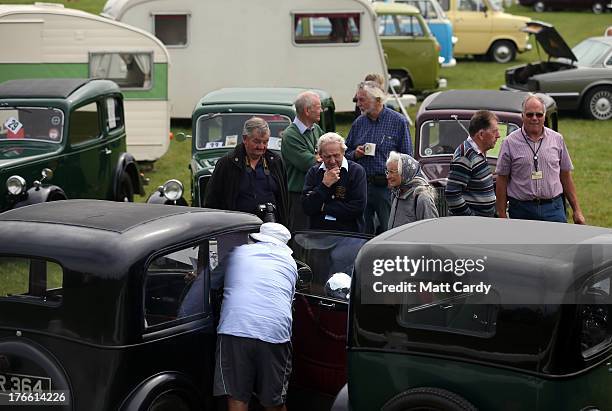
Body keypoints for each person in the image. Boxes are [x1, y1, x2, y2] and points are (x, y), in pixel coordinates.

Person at [214, 223, 298, 411]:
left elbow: (211, 282)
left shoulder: (237, 253)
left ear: (257, 237)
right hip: (275, 334)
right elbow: (289, 301)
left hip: (235, 328)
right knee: (274, 401)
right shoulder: (290, 263)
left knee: (237, 398)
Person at [495, 94, 585, 224]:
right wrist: (502, 215)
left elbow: (565, 175)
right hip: (522, 210)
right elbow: (502, 179)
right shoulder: (509, 142)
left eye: (539, 114)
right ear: (522, 116)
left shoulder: (557, 139)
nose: (534, 118)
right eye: (530, 115)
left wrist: (577, 210)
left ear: (544, 116)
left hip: (554, 209)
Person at [345, 81, 413, 234]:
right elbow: (345, 153)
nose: (358, 104)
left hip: (387, 188)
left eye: (362, 100)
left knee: (391, 231)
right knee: (363, 231)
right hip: (362, 187)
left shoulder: (398, 122)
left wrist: (399, 185)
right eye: (357, 100)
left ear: (377, 100)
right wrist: (355, 154)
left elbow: (407, 157)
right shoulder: (358, 123)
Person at [204, 117, 289, 225]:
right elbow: (212, 201)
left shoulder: (275, 162)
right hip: (237, 228)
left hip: (271, 229)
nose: (261, 147)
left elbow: (284, 199)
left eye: (265, 142)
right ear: (245, 139)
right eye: (257, 142)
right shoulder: (227, 163)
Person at [302, 132, 367, 233]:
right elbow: (307, 207)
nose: (332, 161)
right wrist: (324, 185)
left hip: (348, 235)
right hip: (318, 234)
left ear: (344, 152)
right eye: (327, 157)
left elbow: (357, 208)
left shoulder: (356, 171)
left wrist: (324, 207)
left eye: (336, 156)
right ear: (320, 155)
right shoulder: (314, 172)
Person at [280, 91, 324, 230]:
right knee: (301, 236)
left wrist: (321, 156)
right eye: (318, 107)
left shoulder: (316, 129)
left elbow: (329, 152)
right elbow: (310, 164)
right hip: (298, 197)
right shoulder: (290, 135)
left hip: (315, 193)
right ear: (307, 110)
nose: (321, 110)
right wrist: (319, 157)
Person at [445, 110, 499, 217]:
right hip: (471, 226)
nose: (498, 135)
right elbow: (452, 194)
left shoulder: (478, 153)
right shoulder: (465, 156)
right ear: (481, 135)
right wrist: (471, 218)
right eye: (494, 131)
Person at [386, 151, 438, 228]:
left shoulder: (422, 198)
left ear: (405, 172)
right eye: (387, 172)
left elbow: (431, 229)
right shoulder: (396, 194)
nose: (388, 176)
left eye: (392, 172)